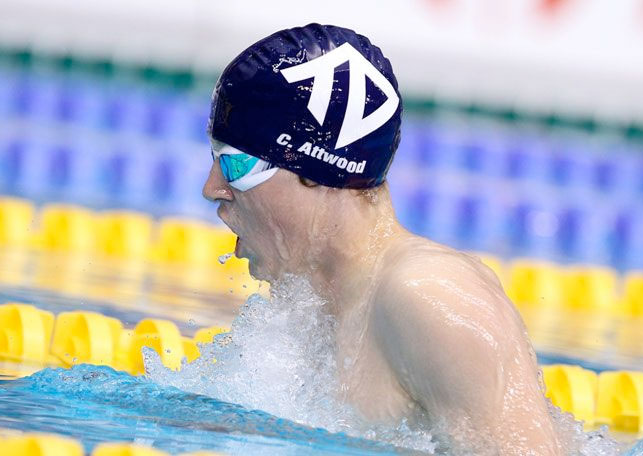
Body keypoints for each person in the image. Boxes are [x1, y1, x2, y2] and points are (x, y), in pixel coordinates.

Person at [201, 23, 561, 454]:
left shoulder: (429, 296)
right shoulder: (318, 306)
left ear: (316, 172)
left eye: (236, 165)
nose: (213, 188)